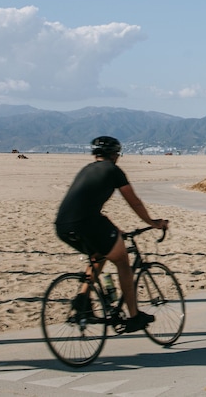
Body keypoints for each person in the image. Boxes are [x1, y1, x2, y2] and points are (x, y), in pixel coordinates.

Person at [54, 136, 167, 333]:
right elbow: (135, 202)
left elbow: (85, 205)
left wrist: (115, 232)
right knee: (122, 261)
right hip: (88, 223)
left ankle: (82, 300)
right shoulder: (113, 171)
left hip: (63, 225)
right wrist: (153, 223)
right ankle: (134, 317)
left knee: (100, 253)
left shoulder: (86, 169)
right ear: (115, 154)